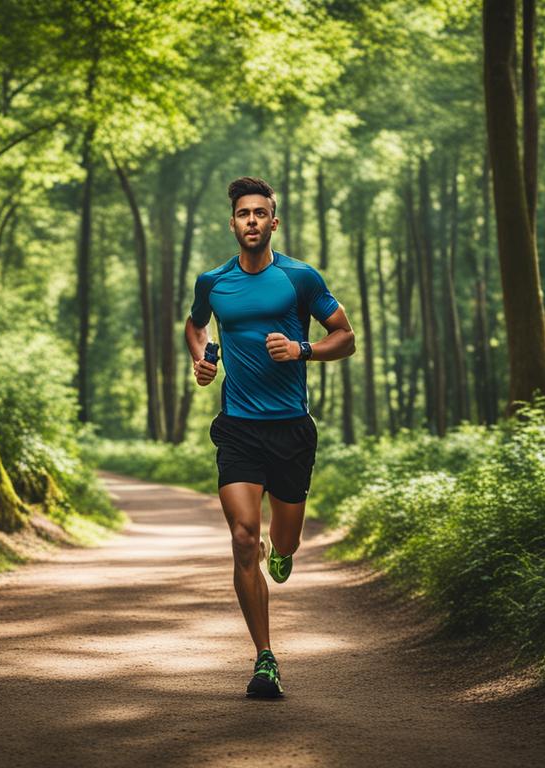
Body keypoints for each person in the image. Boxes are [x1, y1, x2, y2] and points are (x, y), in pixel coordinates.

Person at [183, 176, 355, 699]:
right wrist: (204, 357)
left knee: (284, 540)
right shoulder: (213, 282)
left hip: (290, 429)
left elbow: (345, 337)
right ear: (232, 222)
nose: (252, 221)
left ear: (273, 222)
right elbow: (195, 326)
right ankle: (265, 659)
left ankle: (283, 552)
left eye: (261, 213)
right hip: (238, 427)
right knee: (241, 538)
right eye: (243, 214)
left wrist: (302, 349)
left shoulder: (299, 278)